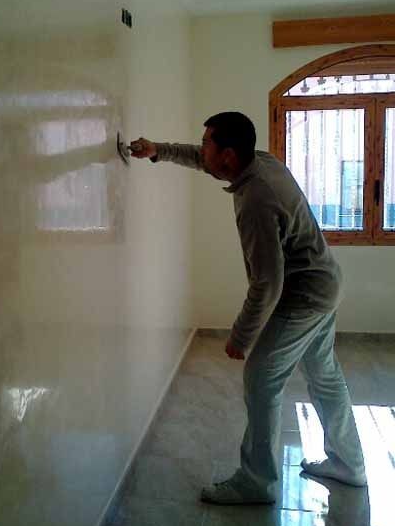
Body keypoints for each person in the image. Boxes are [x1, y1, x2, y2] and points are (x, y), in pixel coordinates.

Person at [130, 111, 367, 505]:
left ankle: (257, 482)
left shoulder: (257, 199)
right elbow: (203, 160)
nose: (202, 148)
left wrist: (241, 335)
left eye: (207, 143)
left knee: (260, 378)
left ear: (227, 155)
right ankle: (350, 464)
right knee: (323, 375)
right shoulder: (259, 162)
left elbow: (267, 282)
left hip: (304, 294)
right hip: (325, 281)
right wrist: (160, 152)